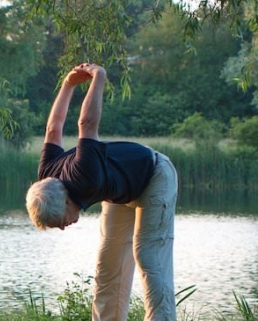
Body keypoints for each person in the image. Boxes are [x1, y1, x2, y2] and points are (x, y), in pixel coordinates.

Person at [25, 63, 179, 321]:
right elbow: (53, 129)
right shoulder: (47, 177)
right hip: (121, 191)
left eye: (59, 222)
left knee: (148, 256)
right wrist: (68, 84)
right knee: (109, 265)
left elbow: (86, 123)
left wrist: (99, 77)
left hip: (155, 175)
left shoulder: (83, 175)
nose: (63, 228)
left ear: (64, 201)